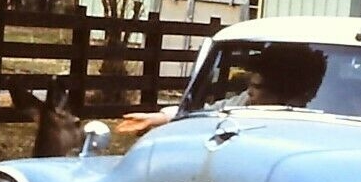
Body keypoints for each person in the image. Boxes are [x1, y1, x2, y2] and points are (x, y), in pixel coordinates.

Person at [116, 43, 326, 135]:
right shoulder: (244, 103)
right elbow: (209, 110)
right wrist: (158, 118)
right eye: (250, 85)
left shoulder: (313, 119)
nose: (250, 92)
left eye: (258, 87)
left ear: (284, 90)